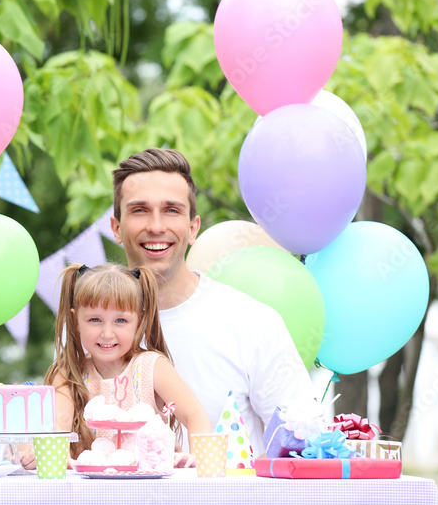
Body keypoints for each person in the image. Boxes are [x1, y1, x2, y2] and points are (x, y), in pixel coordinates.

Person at [110, 148, 315, 455]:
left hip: (227, 504)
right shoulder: (89, 326)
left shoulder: (253, 322)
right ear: (116, 228)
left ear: (193, 228)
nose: (155, 226)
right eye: (139, 210)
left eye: (172, 210)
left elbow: (303, 444)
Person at [45, 263, 213, 457]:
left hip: (148, 486)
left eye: (121, 321)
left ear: (140, 321)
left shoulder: (152, 367)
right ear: (76, 322)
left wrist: (200, 464)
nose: (107, 333)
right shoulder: (68, 373)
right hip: (87, 487)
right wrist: (52, 455)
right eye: (95, 320)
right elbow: (59, 424)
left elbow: (195, 414)